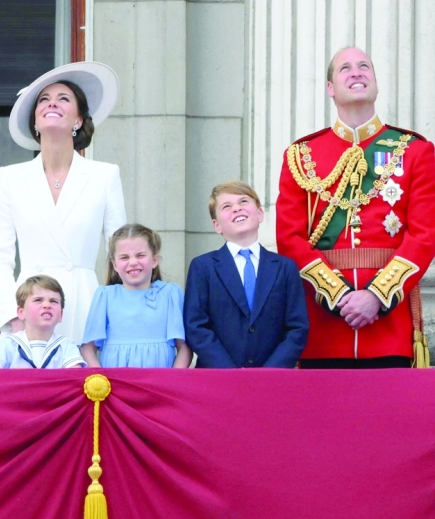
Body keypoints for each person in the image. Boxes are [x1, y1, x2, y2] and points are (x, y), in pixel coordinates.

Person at [276, 47, 435, 369]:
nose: (357, 72)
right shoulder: (301, 154)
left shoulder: (416, 151)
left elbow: (424, 235)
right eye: (345, 68)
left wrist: (376, 296)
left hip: (389, 328)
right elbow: (289, 238)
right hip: (323, 328)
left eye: (364, 66)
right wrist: (338, 296)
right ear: (331, 88)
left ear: (375, 82)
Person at [0, 62, 127, 346]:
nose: (52, 104)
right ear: (35, 121)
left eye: (63, 99)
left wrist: (117, 312)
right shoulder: (11, 178)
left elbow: (120, 253)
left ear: (78, 120)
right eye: (44, 100)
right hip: (28, 307)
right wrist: (11, 315)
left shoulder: (105, 175)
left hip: (85, 304)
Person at [184, 181, 308, 368]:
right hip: (218, 379)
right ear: (217, 225)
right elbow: (196, 326)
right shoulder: (203, 267)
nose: (236, 209)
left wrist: (269, 372)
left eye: (243, 201)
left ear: (259, 214)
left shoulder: (285, 267)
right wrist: (230, 372)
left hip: (271, 380)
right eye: (226, 206)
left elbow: (297, 327)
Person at [80, 224, 192, 369]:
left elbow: (184, 348)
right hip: (116, 383)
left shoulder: (170, 294)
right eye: (124, 257)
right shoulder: (105, 296)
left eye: (140, 255)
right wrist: (101, 378)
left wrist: (172, 380)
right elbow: (88, 349)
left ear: (154, 260)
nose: (133, 262)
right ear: (114, 265)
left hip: (160, 383)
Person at [0, 275, 86, 369]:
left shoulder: (67, 346)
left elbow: (74, 379)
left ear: (61, 315)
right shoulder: (8, 345)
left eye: (53, 301)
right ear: (21, 312)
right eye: (38, 300)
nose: (47, 305)